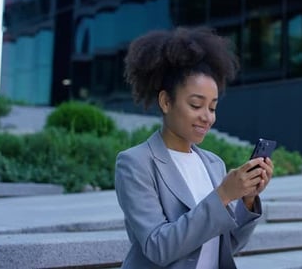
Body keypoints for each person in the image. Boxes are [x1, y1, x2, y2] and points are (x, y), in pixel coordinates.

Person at [114, 26, 274, 269]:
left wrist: (248, 199)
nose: (207, 117)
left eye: (212, 107)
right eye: (196, 104)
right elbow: (158, 246)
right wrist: (223, 195)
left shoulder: (213, 163)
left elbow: (227, 245)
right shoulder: (135, 163)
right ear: (166, 101)